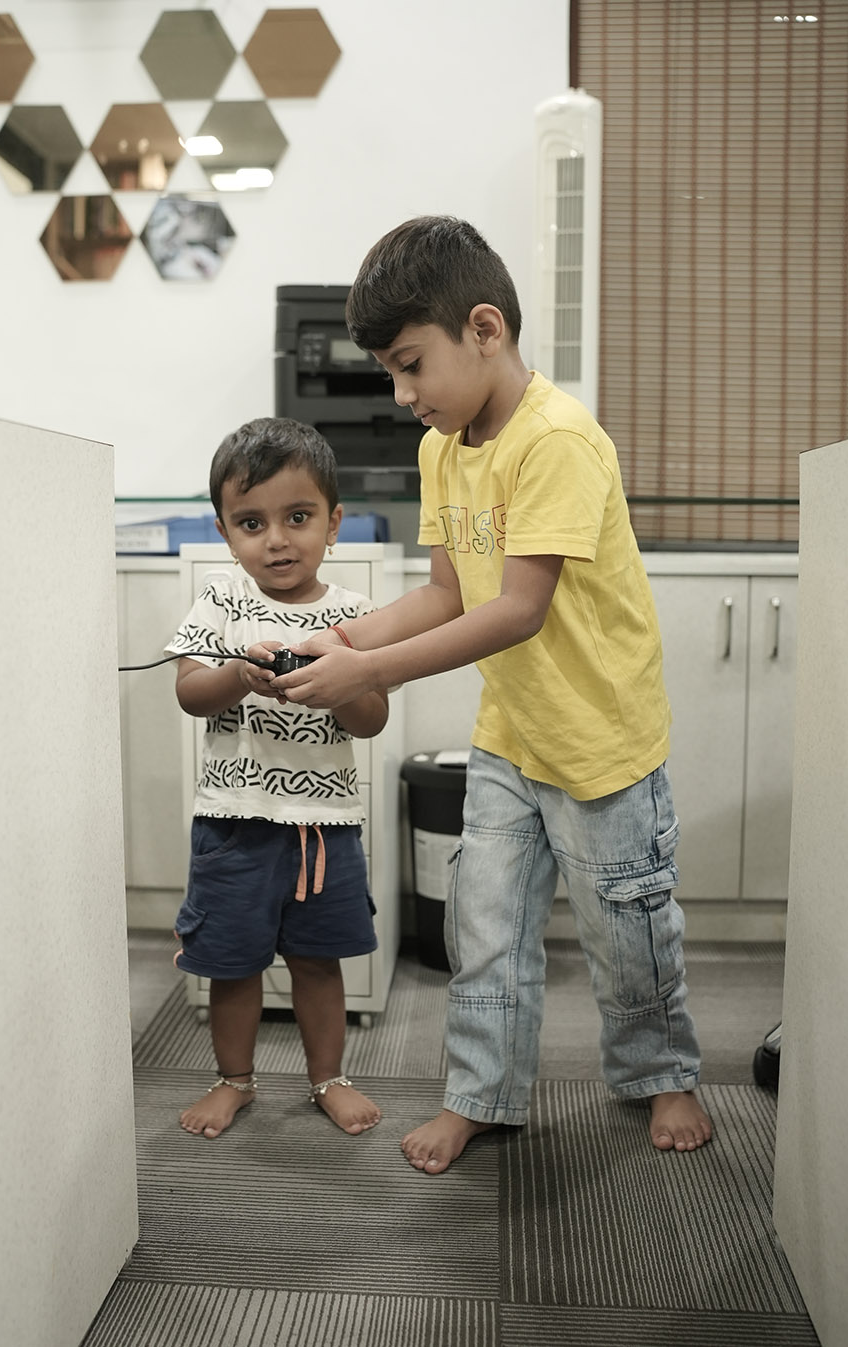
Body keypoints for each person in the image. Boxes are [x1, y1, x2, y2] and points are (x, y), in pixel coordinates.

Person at [271, 215, 713, 1174]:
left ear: (484, 329)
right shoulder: (443, 449)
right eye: (389, 374)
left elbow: (516, 609)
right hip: (512, 734)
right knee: (486, 925)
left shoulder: (557, 439)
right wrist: (343, 638)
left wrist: (371, 672)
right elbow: (445, 593)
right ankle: (480, 1093)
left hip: (601, 741)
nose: (402, 395)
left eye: (410, 366)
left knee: (628, 930)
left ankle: (662, 1073)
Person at [165, 416, 389, 1140]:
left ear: (334, 523)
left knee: (318, 963)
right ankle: (234, 1080)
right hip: (234, 821)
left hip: (324, 829)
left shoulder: (354, 615)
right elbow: (190, 693)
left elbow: (372, 719)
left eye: (298, 517)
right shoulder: (220, 600)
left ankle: (328, 1078)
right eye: (251, 523)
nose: (277, 540)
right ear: (226, 532)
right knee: (231, 965)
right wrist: (239, 672)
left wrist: (337, 684)